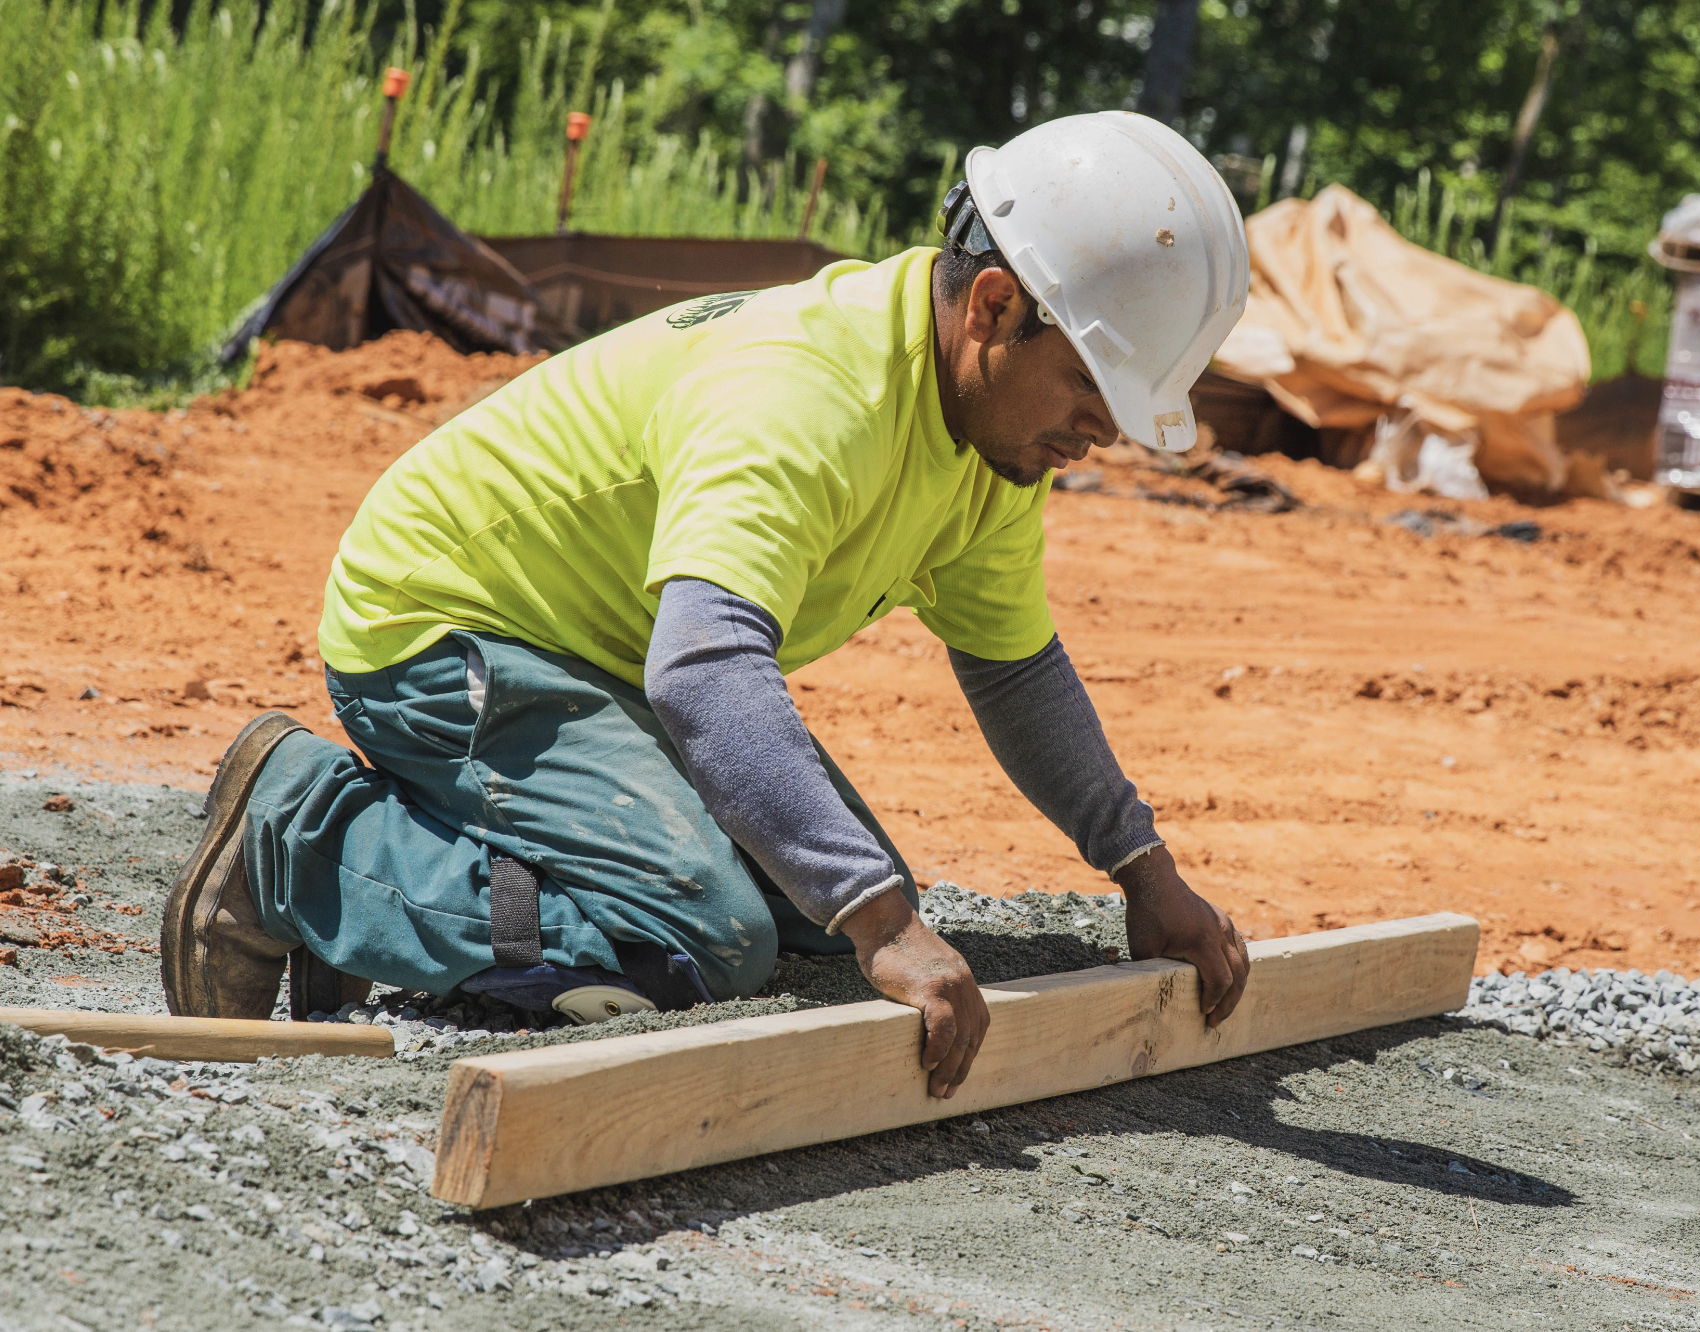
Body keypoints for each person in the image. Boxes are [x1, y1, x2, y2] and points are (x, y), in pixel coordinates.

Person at [161, 112, 1253, 1100]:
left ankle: (442, 854)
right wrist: (883, 923)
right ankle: (304, 837)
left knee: (814, 913)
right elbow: (705, 668)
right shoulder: (808, 394)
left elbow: (1015, 672)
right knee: (703, 937)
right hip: (444, 629)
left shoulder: (990, 444)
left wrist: (1141, 868)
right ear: (994, 306)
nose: (1102, 435)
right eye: (1091, 386)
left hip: (602, 647)